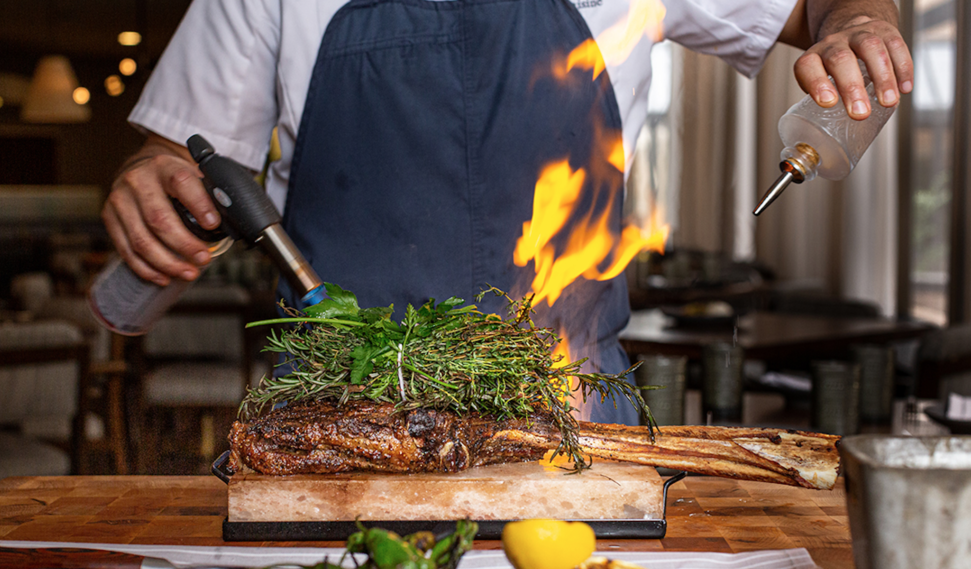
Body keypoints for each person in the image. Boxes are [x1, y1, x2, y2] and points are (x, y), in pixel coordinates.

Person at [102, 0, 912, 425]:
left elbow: (828, 1)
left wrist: (862, 21)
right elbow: (182, 155)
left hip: (570, 409)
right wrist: (154, 176)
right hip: (339, 411)